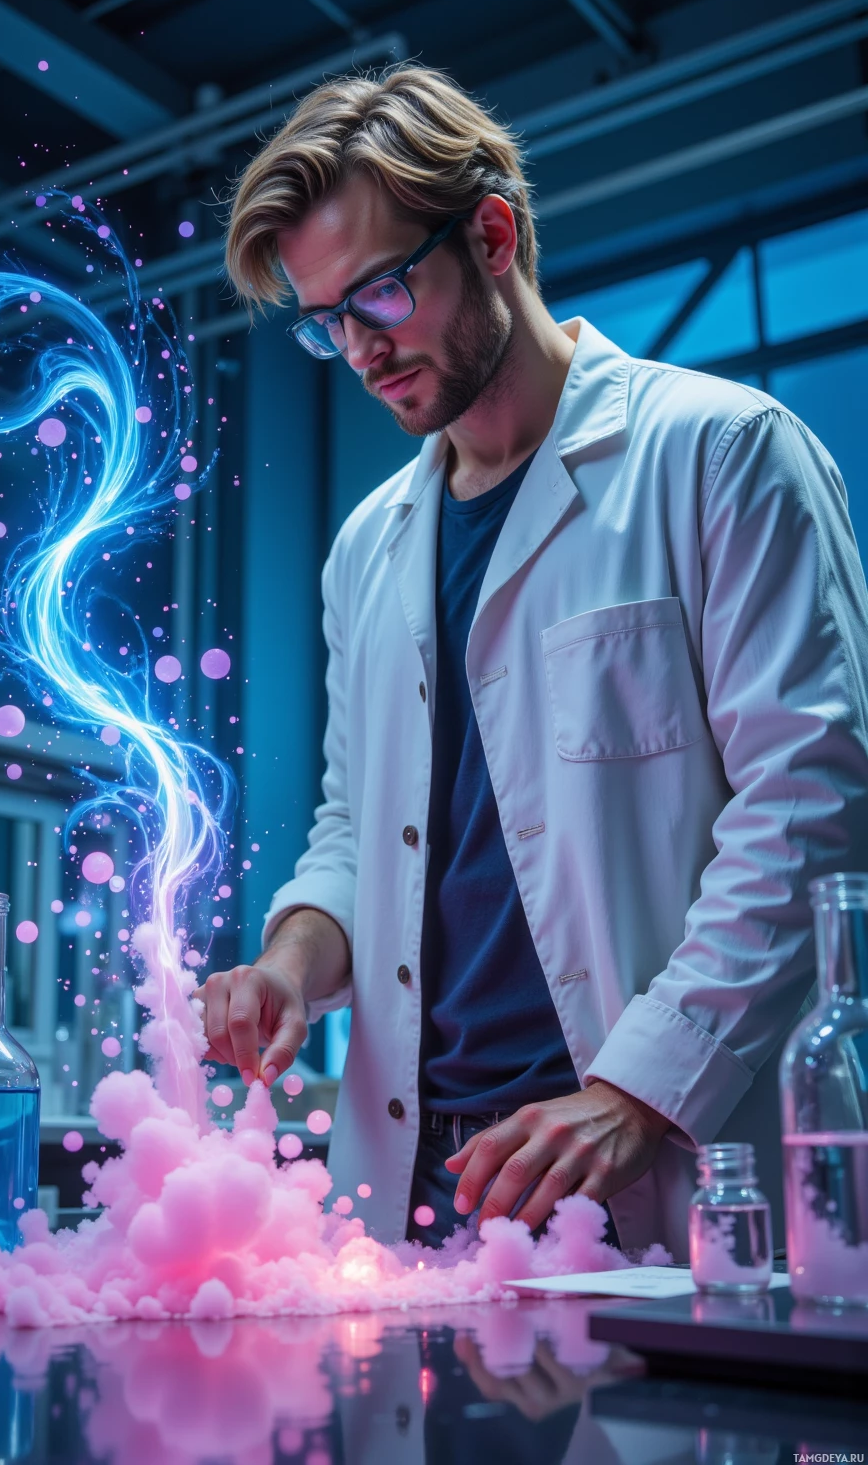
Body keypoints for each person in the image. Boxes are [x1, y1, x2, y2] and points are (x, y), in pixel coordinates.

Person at [197, 63, 868, 1256]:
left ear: (493, 235)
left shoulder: (720, 455)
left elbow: (811, 805)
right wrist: (293, 964)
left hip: (642, 1147)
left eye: (382, 294)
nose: (358, 349)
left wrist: (638, 1092)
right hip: (419, 1166)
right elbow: (363, 829)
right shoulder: (369, 547)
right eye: (325, 322)